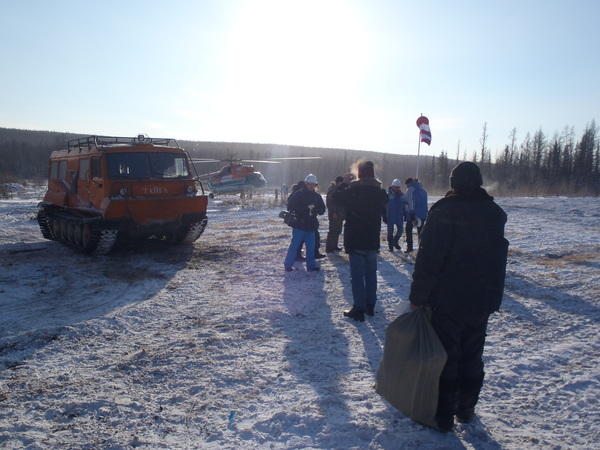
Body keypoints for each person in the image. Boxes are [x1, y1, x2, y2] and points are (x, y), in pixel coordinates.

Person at [408, 162, 509, 432]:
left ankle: (443, 415)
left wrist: (417, 297)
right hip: (481, 299)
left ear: (453, 183)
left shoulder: (445, 212)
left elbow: (429, 260)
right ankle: (466, 409)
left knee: (446, 358)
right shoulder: (493, 213)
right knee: (472, 356)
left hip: (448, 300)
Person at [331, 161, 388, 321]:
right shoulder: (380, 193)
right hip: (372, 240)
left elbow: (335, 197)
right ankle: (370, 305)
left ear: (359, 174)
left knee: (357, 276)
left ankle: (359, 309)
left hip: (356, 239)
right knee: (371, 275)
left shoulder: (353, 192)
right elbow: (384, 202)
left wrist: (344, 184)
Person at [284, 174, 326, 272]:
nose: (312, 186)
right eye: (310, 184)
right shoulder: (298, 194)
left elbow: (322, 210)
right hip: (299, 225)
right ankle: (288, 265)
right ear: (306, 183)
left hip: (311, 225)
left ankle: (311, 266)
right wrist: (304, 209)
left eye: (313, 184)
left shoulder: (317, 196)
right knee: (294, 246)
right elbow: (290, 207)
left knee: (311, 248)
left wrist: (315, 209)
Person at [383, 179, 409, 252]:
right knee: (390, 232)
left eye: (398, 187)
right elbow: (384, 206)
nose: (397, 189)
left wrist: (406, 214)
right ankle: (390, 247)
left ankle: (395, 241)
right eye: (395, 187)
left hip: (399, 216)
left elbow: (405, 206)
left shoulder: (402, 196)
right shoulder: (387, 195)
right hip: (390, 216)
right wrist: (384, 215)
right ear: (392, 186)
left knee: (400, 231)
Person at [404, 177, 428, 253]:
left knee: (408, 229)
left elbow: (410, 202)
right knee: (420, 231)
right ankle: (421, 248)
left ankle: (410, 247)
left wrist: (411, 212)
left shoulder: (410, 190)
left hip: (414, 214)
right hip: (422, 214)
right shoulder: (423, 190)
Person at [325, 176, 345, 253]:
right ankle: (329, 247)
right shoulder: (332, 190)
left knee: (338, 230)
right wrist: (334, 212)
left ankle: (334, 246)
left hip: (340, 214)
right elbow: (330, 203)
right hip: (334, 214)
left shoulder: (340, 190)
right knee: (332, 231)